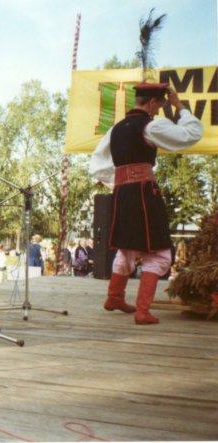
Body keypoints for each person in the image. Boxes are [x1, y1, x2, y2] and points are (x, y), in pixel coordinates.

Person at [90, 84, 203, 324]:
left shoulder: (116, 129)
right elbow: (191, 134)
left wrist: (120, 183)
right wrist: (179, 106)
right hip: (143, 193)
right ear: (152, 102)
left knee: (127, 248)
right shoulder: (150, 126)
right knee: (160, 253)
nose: (159, 110)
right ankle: (142, 312)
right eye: (159, 105)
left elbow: (98, 165)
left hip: (121, 193)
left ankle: (114, 298)